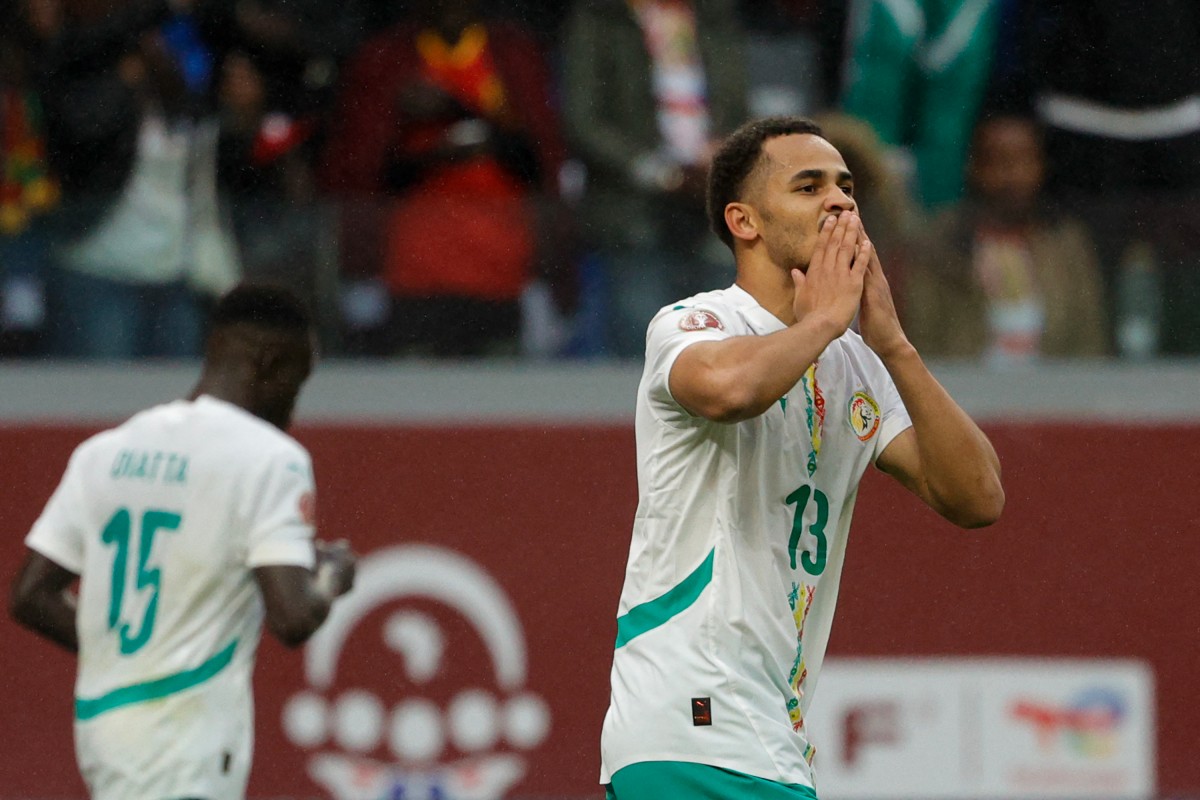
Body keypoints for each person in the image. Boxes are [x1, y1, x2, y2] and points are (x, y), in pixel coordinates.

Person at [599, 116, 1004, 799]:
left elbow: (978, 498)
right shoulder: (696, 323)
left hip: (766, 730)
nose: (841, 202)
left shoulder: (858, 364)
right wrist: (823, 320)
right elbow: (730, 391)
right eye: (809, 186)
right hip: (697, 716)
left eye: (847, 187)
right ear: (744, 221)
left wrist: (894, 345)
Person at [9, 283, 356, 800]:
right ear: (265, 365)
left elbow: (30, 596)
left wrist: (129, 657)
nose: (294, 405)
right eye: (295, 380)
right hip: (186, 743)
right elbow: (294, 617)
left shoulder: (106, 451)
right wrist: (330, 579)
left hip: (106, 735)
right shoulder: (269, 458)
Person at [561, 0, 748, 357]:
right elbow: (583, 120)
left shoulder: (714, 15)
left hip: (711, 208)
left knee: (718, 343)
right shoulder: (603, 17)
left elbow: (738, 106)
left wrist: (722, 159)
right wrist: (656, 171)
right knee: (644, 349)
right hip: (634, 212)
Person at [902, 111, 1108, 362]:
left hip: (1055, 397)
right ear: (974, 167)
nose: (1013, 175)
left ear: (1042, 166)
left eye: (1024, 160)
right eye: (998, 161)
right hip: (965, 396)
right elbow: (922, 342)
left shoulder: (1067, 246)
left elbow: (1090, 344)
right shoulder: (941, 245)